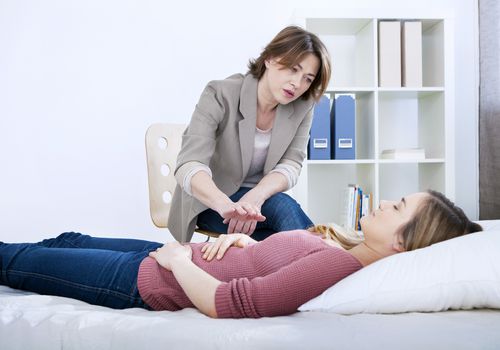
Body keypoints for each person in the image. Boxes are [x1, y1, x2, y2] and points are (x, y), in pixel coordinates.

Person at [0, 190, 482, 318]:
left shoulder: (344, 265)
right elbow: (274, 265)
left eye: (396, 206)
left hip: (149, 280)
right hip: (167, 258)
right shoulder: (347, 254)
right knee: (68, 240)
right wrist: (249, 244)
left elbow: (233, 303)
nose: (382, 203)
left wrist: (179, 262)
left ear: (402, 241)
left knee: (17, 262)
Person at [169, 26, 332, 242]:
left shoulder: (303, 106)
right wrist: (227, 206)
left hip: (260, 204)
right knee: (283, 211)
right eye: (293, 69)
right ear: (270, 58)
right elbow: (189, 165)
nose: (297, 83)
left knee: (277, 237)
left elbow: (291, 165)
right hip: (212, 203)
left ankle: (317, 266)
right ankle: (331, 262)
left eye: (308, 79)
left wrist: (255, 197)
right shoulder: (220, 93)